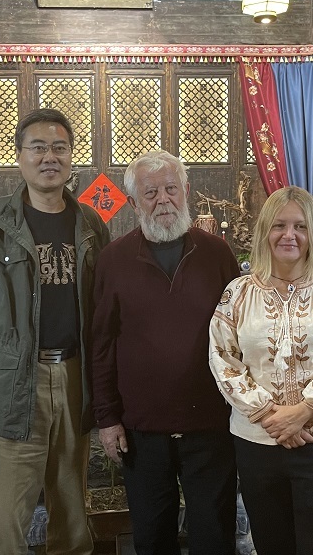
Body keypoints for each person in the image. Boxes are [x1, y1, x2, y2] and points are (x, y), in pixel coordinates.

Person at [0, 108, 110, 555]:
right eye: (38, 147)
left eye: (59, 147)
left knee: (73, 512)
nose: (49, 157)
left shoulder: (90, 224)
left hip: (74, 376)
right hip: (11, 380)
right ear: (20, 156)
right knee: (8, 520)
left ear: (71, 155)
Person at [91, 150, 239, 555]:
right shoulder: (113, 260)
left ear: (186, 191)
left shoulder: (217, 254)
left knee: (215, 534)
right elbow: (101, 344)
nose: (163, 200)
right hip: (142, 428)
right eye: (150, 192)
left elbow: (241, 335)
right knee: (152, 536)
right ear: (134, 202)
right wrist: (107, 418)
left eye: (171, 189)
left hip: (210, 424)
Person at [210, 186, 313, 555]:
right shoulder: (238, 293)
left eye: (300, 226)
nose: (289, 235)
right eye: (279, 225)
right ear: (264, 231)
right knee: (272, 543)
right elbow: (222, 356)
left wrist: (306, 410)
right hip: (258, 439)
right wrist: (269, 414)